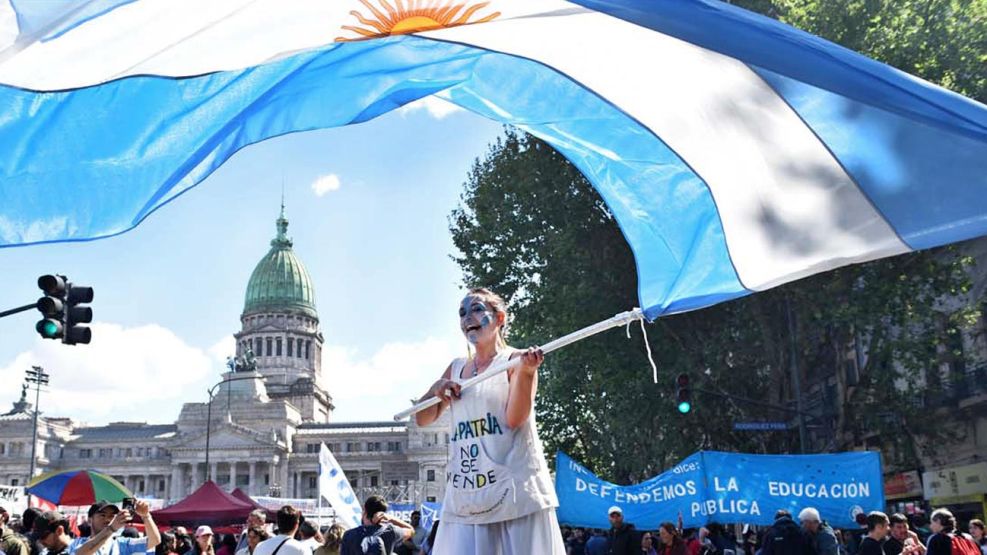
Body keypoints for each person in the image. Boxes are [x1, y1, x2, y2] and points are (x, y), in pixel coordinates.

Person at [416, 289, 565, 553]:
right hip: (467, 491)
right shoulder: (456, 368)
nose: (467, 319)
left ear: (499, 318)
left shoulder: (517, 360)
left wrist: (527, 373)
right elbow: (422, 418)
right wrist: (435, 390)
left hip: (513, 491)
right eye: (462, 313)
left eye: (475, 310)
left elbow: (515, 418)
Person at [70, 500, 161, 555]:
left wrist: (146, 516)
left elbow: (155, 541)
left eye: (111, 516)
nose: (108, 520)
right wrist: (111, 528)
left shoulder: (121, 543)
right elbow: (81, 553)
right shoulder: (78, 542)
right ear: (90, 520)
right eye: (103, 515)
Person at [340, 495, 414, 555]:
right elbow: (411, 531)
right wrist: (391, 519)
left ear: (364, 510)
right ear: (383, 513)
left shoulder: (349, 535)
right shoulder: (391, 531)